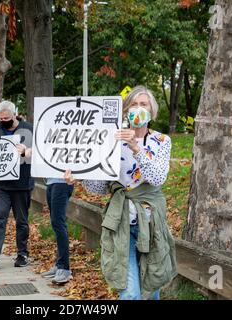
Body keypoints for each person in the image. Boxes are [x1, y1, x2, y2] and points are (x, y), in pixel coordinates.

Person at [64, 86, 177, 300]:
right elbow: (98, 188)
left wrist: (136, 148)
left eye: (143, 104)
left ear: (152, 110)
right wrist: (79, 178)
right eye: (133, 104)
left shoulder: (162, 141)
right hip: (121, 223)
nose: (138, 109)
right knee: (130, 293)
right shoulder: (111, 140)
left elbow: (157, 178)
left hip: (151, 223)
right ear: (125, 110)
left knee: (152, 288)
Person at [0, 100, 34, 269]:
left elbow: (39, 154)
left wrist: (25, 152)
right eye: (1, 118)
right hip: (2, 185)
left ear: (15, 114)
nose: (3, 121)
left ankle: (22, 254)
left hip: (22, 184)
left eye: (6, 118)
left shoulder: (29, 129)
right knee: (0, 217)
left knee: (21, 221)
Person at [40, 178, 74, 284]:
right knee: (56, 224)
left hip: (62, 182)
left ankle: (64, 269)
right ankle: (59, 265)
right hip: (51, 182)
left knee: (58, 224)